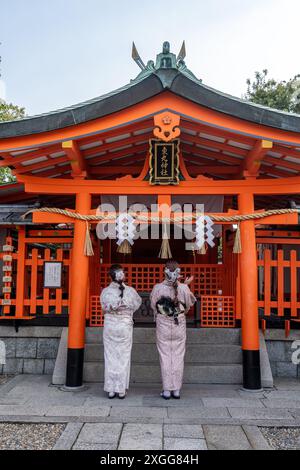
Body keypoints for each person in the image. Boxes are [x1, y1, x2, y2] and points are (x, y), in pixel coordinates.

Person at [150, 260, 196, 400]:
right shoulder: (183, 288)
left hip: (163, 323)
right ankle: (176, 390)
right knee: (178, 356)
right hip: (179, 323)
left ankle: (166, 390)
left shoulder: (158, 288)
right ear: (179, 273)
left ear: (164, 272)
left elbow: (153, 306)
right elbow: (189, 304)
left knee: (165, 356)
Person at [100, 264, 142, 399]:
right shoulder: (130, 291)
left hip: (110, 325)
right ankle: (121, 389)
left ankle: (111, 389)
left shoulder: (106, 291)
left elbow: (104, 307)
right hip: (124, 325)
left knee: (110, 356)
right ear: (122, 276)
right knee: (123, 357)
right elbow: (137, 303)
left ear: (110, 276)